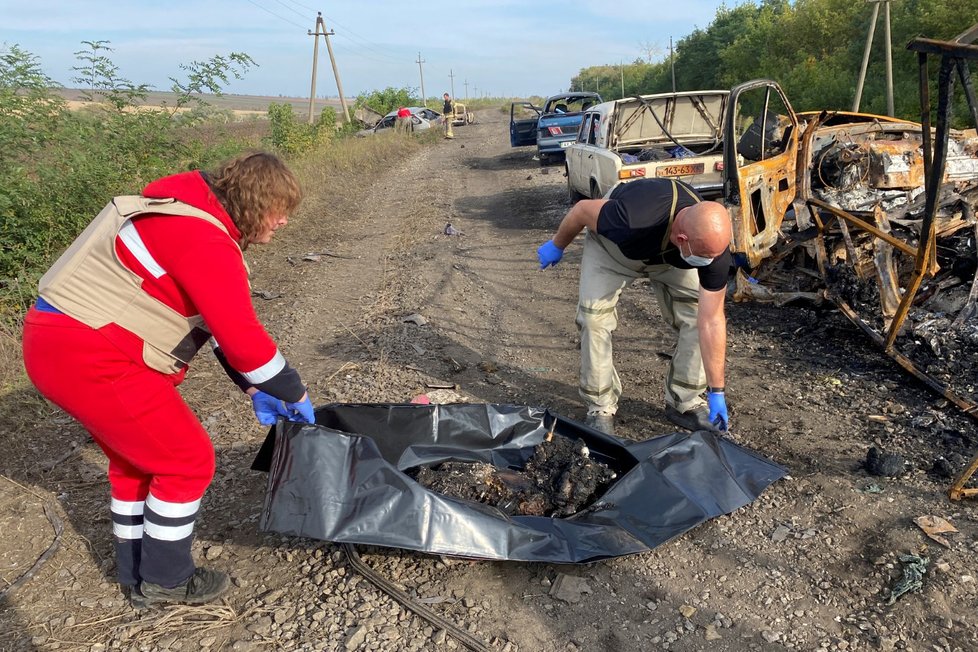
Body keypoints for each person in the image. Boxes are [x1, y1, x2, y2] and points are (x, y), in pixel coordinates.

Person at [21, 151, 316, 608]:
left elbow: (213, 323)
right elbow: (244, 342)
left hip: (61, 345)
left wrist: (254, 387)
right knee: (187, 460)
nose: (282, 223)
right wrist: (292, 390)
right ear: (255, 204)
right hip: (92, 356)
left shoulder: (175, 214)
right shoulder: (203, 238)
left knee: (138, 461)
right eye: (278, 212)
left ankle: (134, 572)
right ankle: (169, 580)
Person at [536, 177, 731, 436]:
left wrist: (717, 390)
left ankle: (684, 401)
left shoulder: (711, 252)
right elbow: (581, 210)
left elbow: (712, 320)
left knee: (697, 316)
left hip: (669, 260)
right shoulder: (630, 218)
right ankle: (600, 406)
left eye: (710, 258)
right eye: (703, 258)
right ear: (682, 238)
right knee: (594, 320)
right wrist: (557, 245)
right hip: (615, 251)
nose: (707, 263)